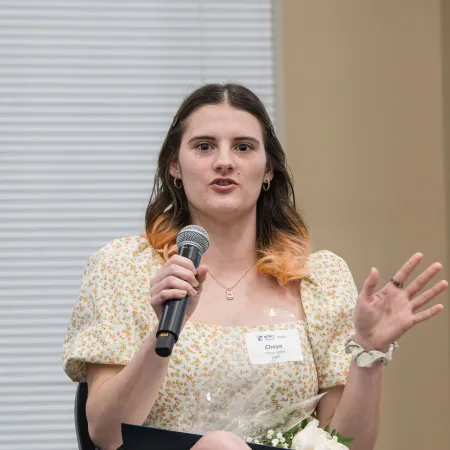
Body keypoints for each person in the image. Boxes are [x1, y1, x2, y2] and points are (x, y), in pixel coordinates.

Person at [62, 83, 447, 450]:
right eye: (204, 146)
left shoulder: (319, 280)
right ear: (174, 167)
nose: (224, 161)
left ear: (268, 171)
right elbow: (107, 434)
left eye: (243, 147)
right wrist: (162, 336)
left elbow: (346, 445)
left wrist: (367, 354)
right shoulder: (122, 268)